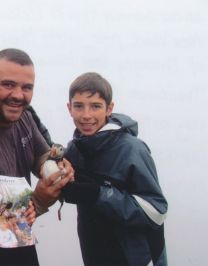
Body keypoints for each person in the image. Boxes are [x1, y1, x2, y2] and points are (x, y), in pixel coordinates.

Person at [0, 48, 74, 266]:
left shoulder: (23, 116)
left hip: (21, 245)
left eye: (27, 87)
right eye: (8, 85)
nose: (18, 95)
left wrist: (58, 171)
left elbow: (41, 156)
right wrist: (39, 200)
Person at [61, 72, 168, 265]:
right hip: (95, 256)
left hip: (137, 258)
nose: (86, 115)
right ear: (69, 108)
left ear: (109, 108)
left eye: (95, 106)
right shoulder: (75, 150)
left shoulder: (132, 150)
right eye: (79, 106)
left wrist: (97, 194)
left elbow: (157, 211)